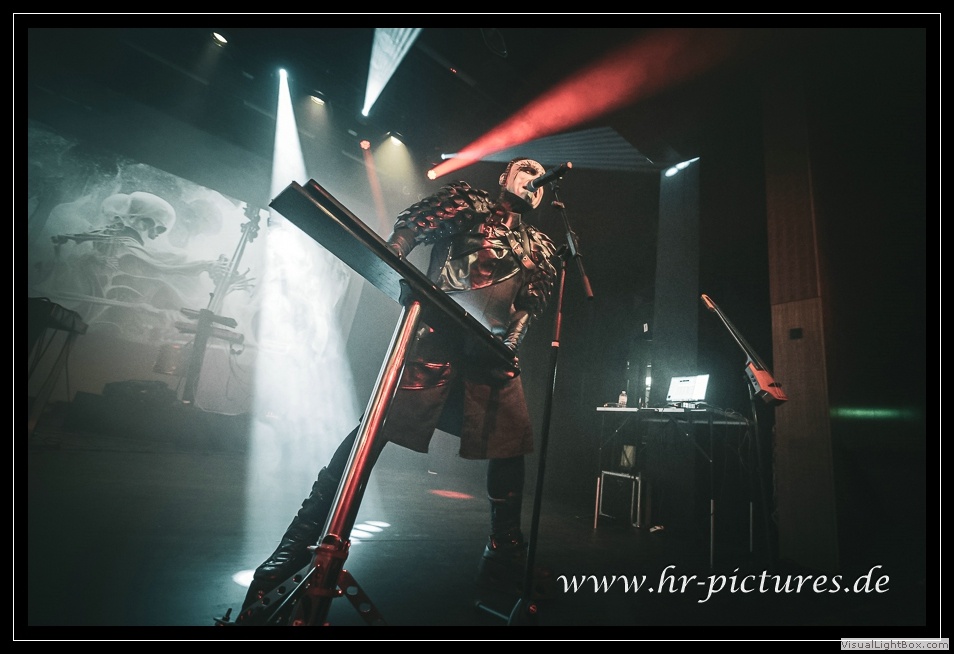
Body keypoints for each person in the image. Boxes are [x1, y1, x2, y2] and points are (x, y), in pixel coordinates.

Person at [242, 158, 561, 610]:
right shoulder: (470, 203)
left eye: (540, 178)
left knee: (510, 444)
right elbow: (417, 224)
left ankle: (504, 555)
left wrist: (511, 341)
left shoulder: (540, 245)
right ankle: (296, 544)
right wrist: (395, 252)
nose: (534, 180)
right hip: (436, 338)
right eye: (525, 170)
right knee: (371, 433)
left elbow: (529, 302)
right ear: (504, 177)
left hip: (488, 357)